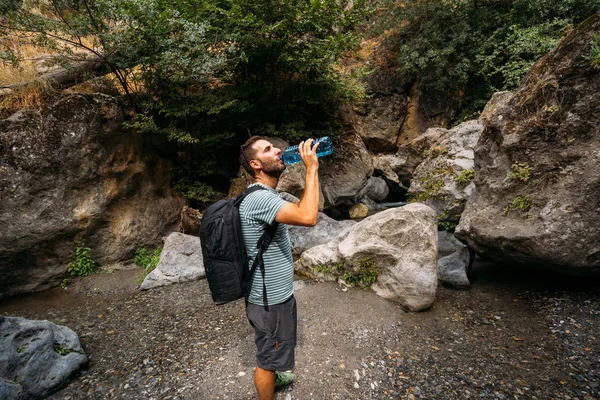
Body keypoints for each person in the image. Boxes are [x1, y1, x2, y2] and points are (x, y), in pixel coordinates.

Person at [238, 136, 320, 400]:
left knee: (277, 347)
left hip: (275, 295)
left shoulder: (264, 195)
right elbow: (308, 217)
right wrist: (312, 168)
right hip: (269, 300)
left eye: (274, 147)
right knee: (267, 357)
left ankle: (278, 374)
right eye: (268, 150)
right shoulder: (259, 199)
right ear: (256, 164)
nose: (278, 151)